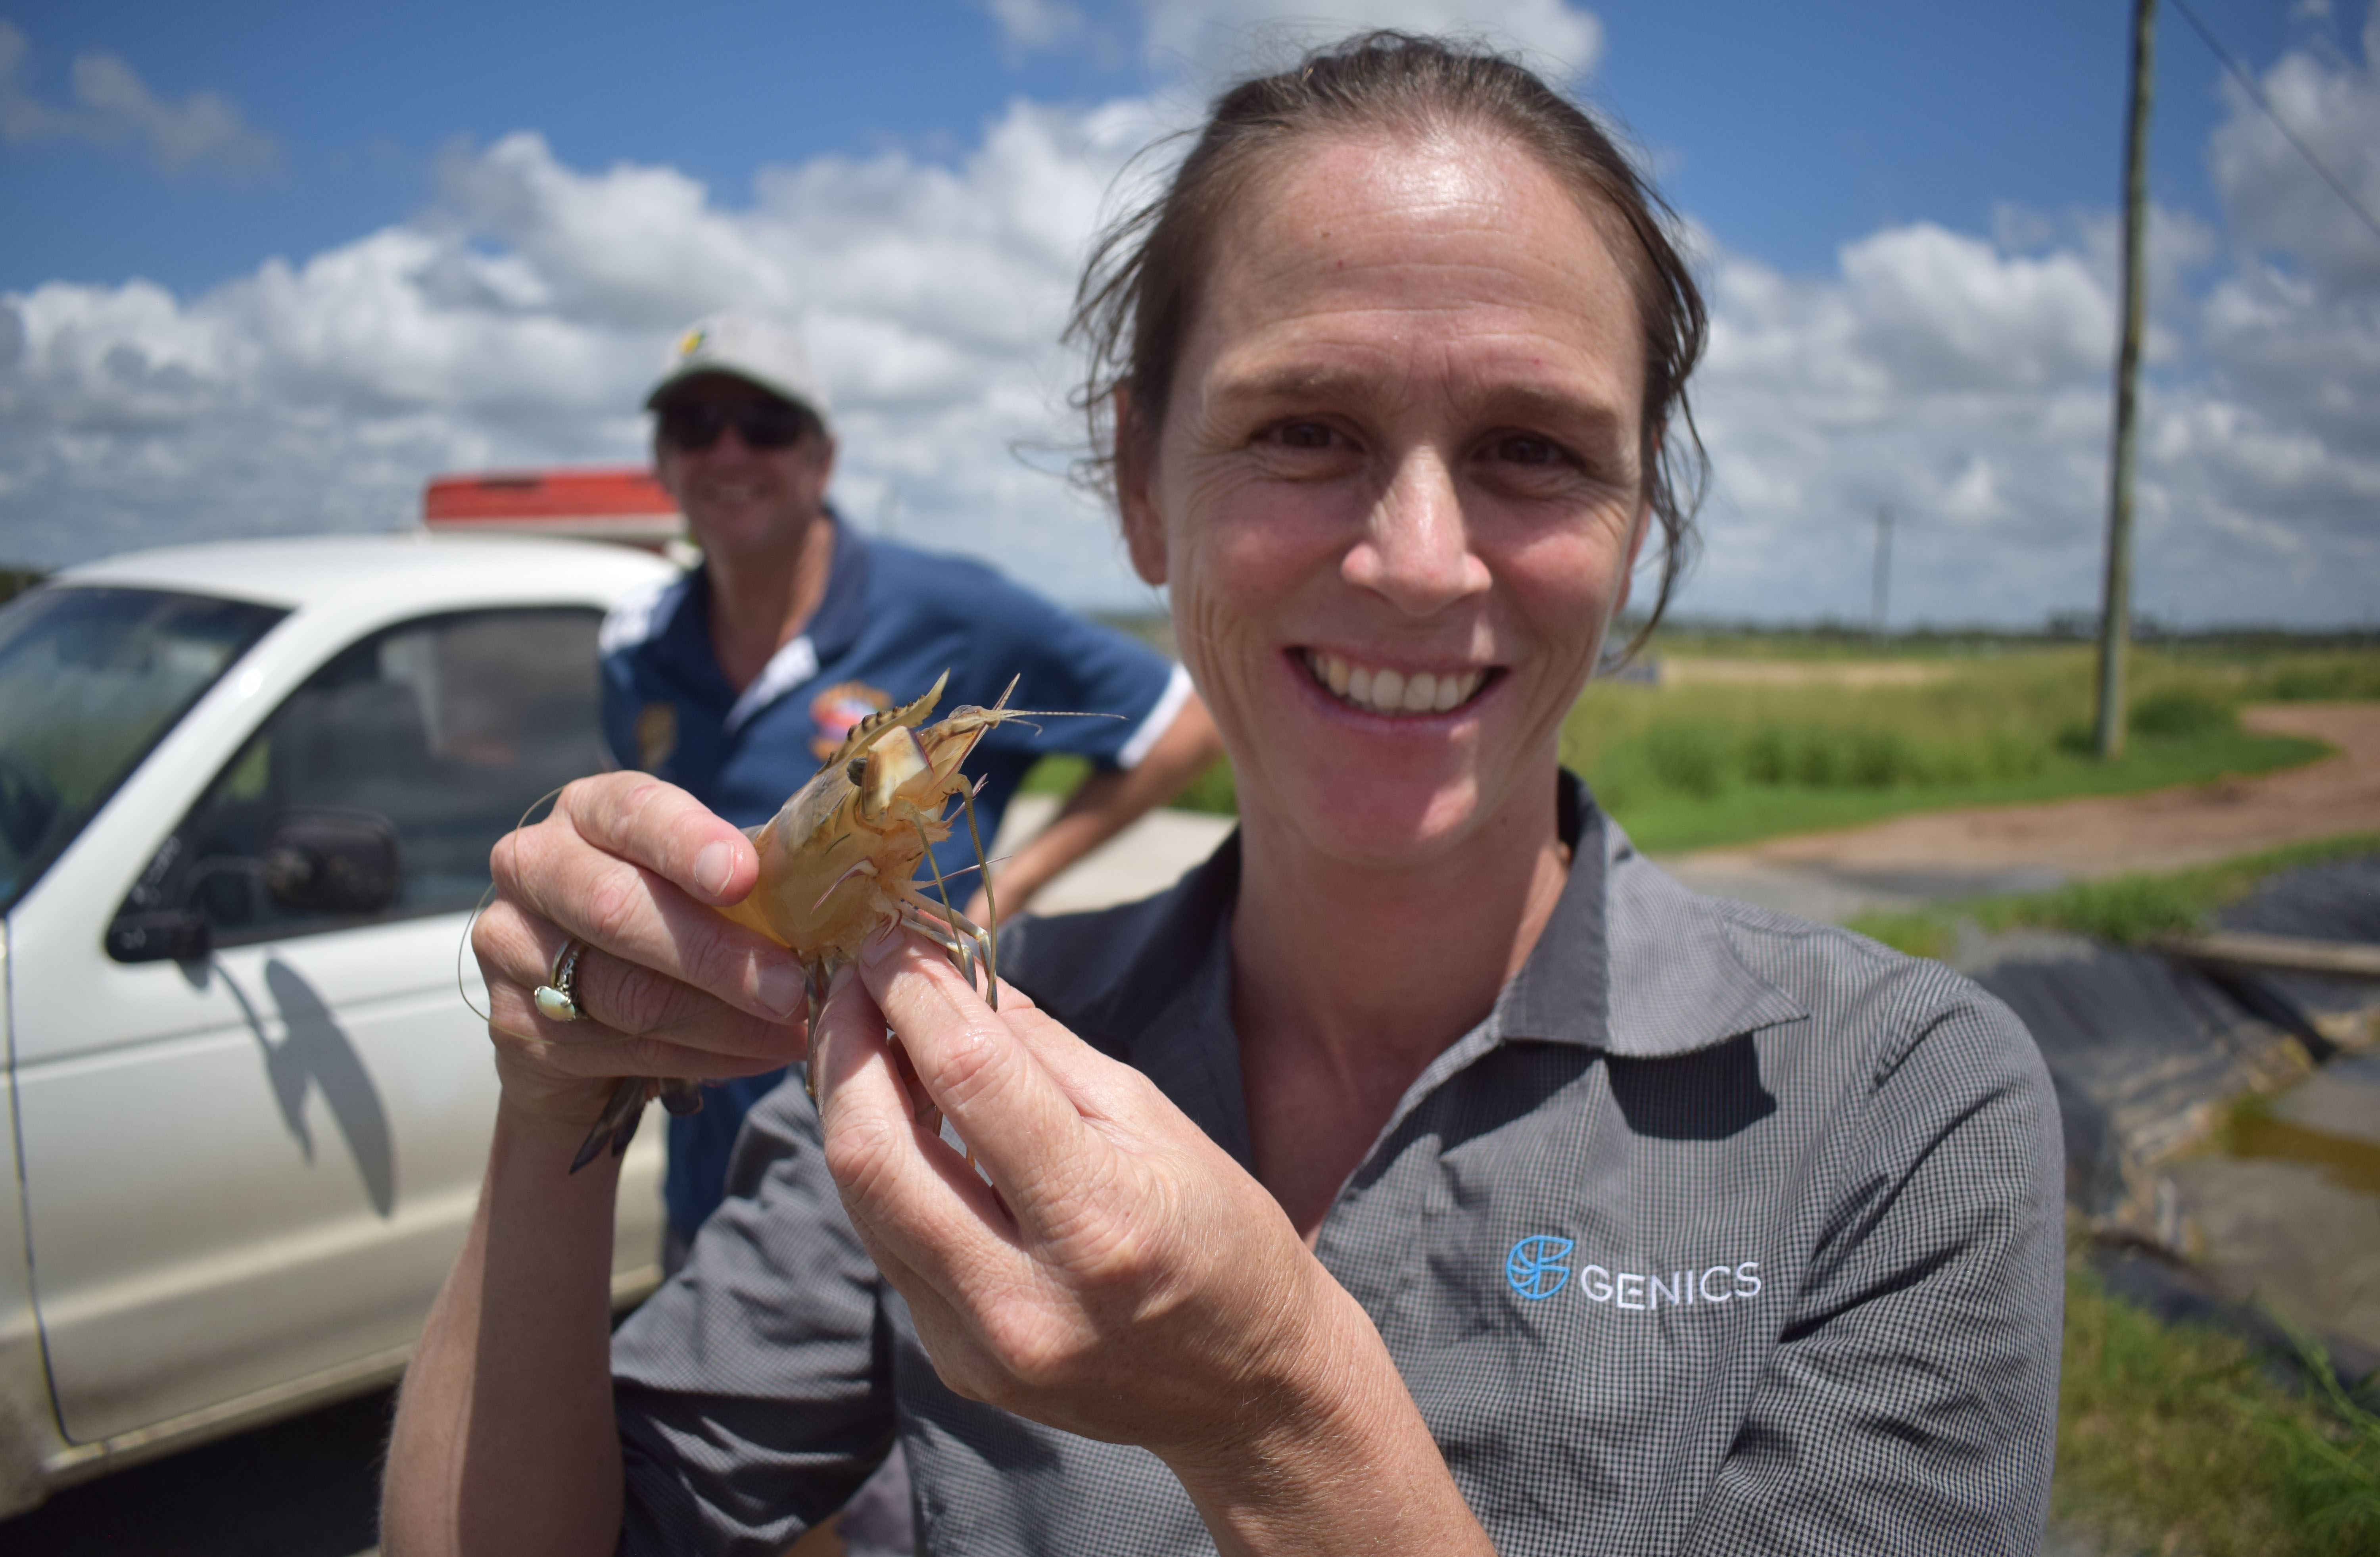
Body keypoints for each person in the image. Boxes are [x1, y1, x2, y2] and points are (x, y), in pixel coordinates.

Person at [384, 33, 2063, 1557]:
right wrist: (554, 1105)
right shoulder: (926, 1069)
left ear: (1645, 519)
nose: (1416, 564)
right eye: (1306, 430)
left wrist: (1276, 1412)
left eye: (1534, 450)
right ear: (1140, 487)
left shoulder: (1897, 1110)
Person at [603, 310, 1222, 1257]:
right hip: (705, 1169)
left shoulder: (956, 608)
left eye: (764, 427)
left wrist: (1004, 886)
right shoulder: (637, 647)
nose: (729, 450)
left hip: (896, 1178)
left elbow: (1187, 720)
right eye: (696, 427)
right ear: (664, 462)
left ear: (822, 457)